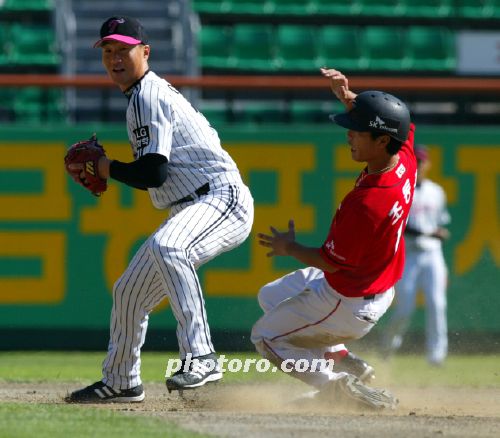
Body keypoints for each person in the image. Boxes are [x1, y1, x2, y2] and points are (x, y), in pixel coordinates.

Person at [66, 16, 254, 403]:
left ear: (145, 52)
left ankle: (201, 357)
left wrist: (107, 167)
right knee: (128, 293)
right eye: (109, 51)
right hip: (192, 203)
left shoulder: (148, 94)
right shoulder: (140, 95)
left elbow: (154, 172)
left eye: (125, 50)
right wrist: (113, 168)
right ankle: (121, 381)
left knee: (171, 247)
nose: (116, 58)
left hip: (220, 198)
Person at [251, 67, 417, 410]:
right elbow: (399, 123)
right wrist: (349, 98)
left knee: (265, 337)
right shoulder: (405, 158)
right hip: (371, 285)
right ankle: (341, 358)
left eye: (358, 131)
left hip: (348, 299)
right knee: (270, 296)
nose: (350, 135)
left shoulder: (370, 203)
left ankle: (335, 384)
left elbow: (329, 261)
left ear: (382, 140)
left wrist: (289, 248)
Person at [381, 144, 450, 366]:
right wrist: (430, 232)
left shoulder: (437, 191)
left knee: (437, 304)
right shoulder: (402, 189)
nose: (419, 165)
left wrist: (440, 232)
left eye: (422, 161)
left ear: (427, 164)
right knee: (404, 308)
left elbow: (441, 223)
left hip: (433, 255)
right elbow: (401, 226)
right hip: (409, 254)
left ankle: (436, 355)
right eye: (416, 161)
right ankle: (388, 347)